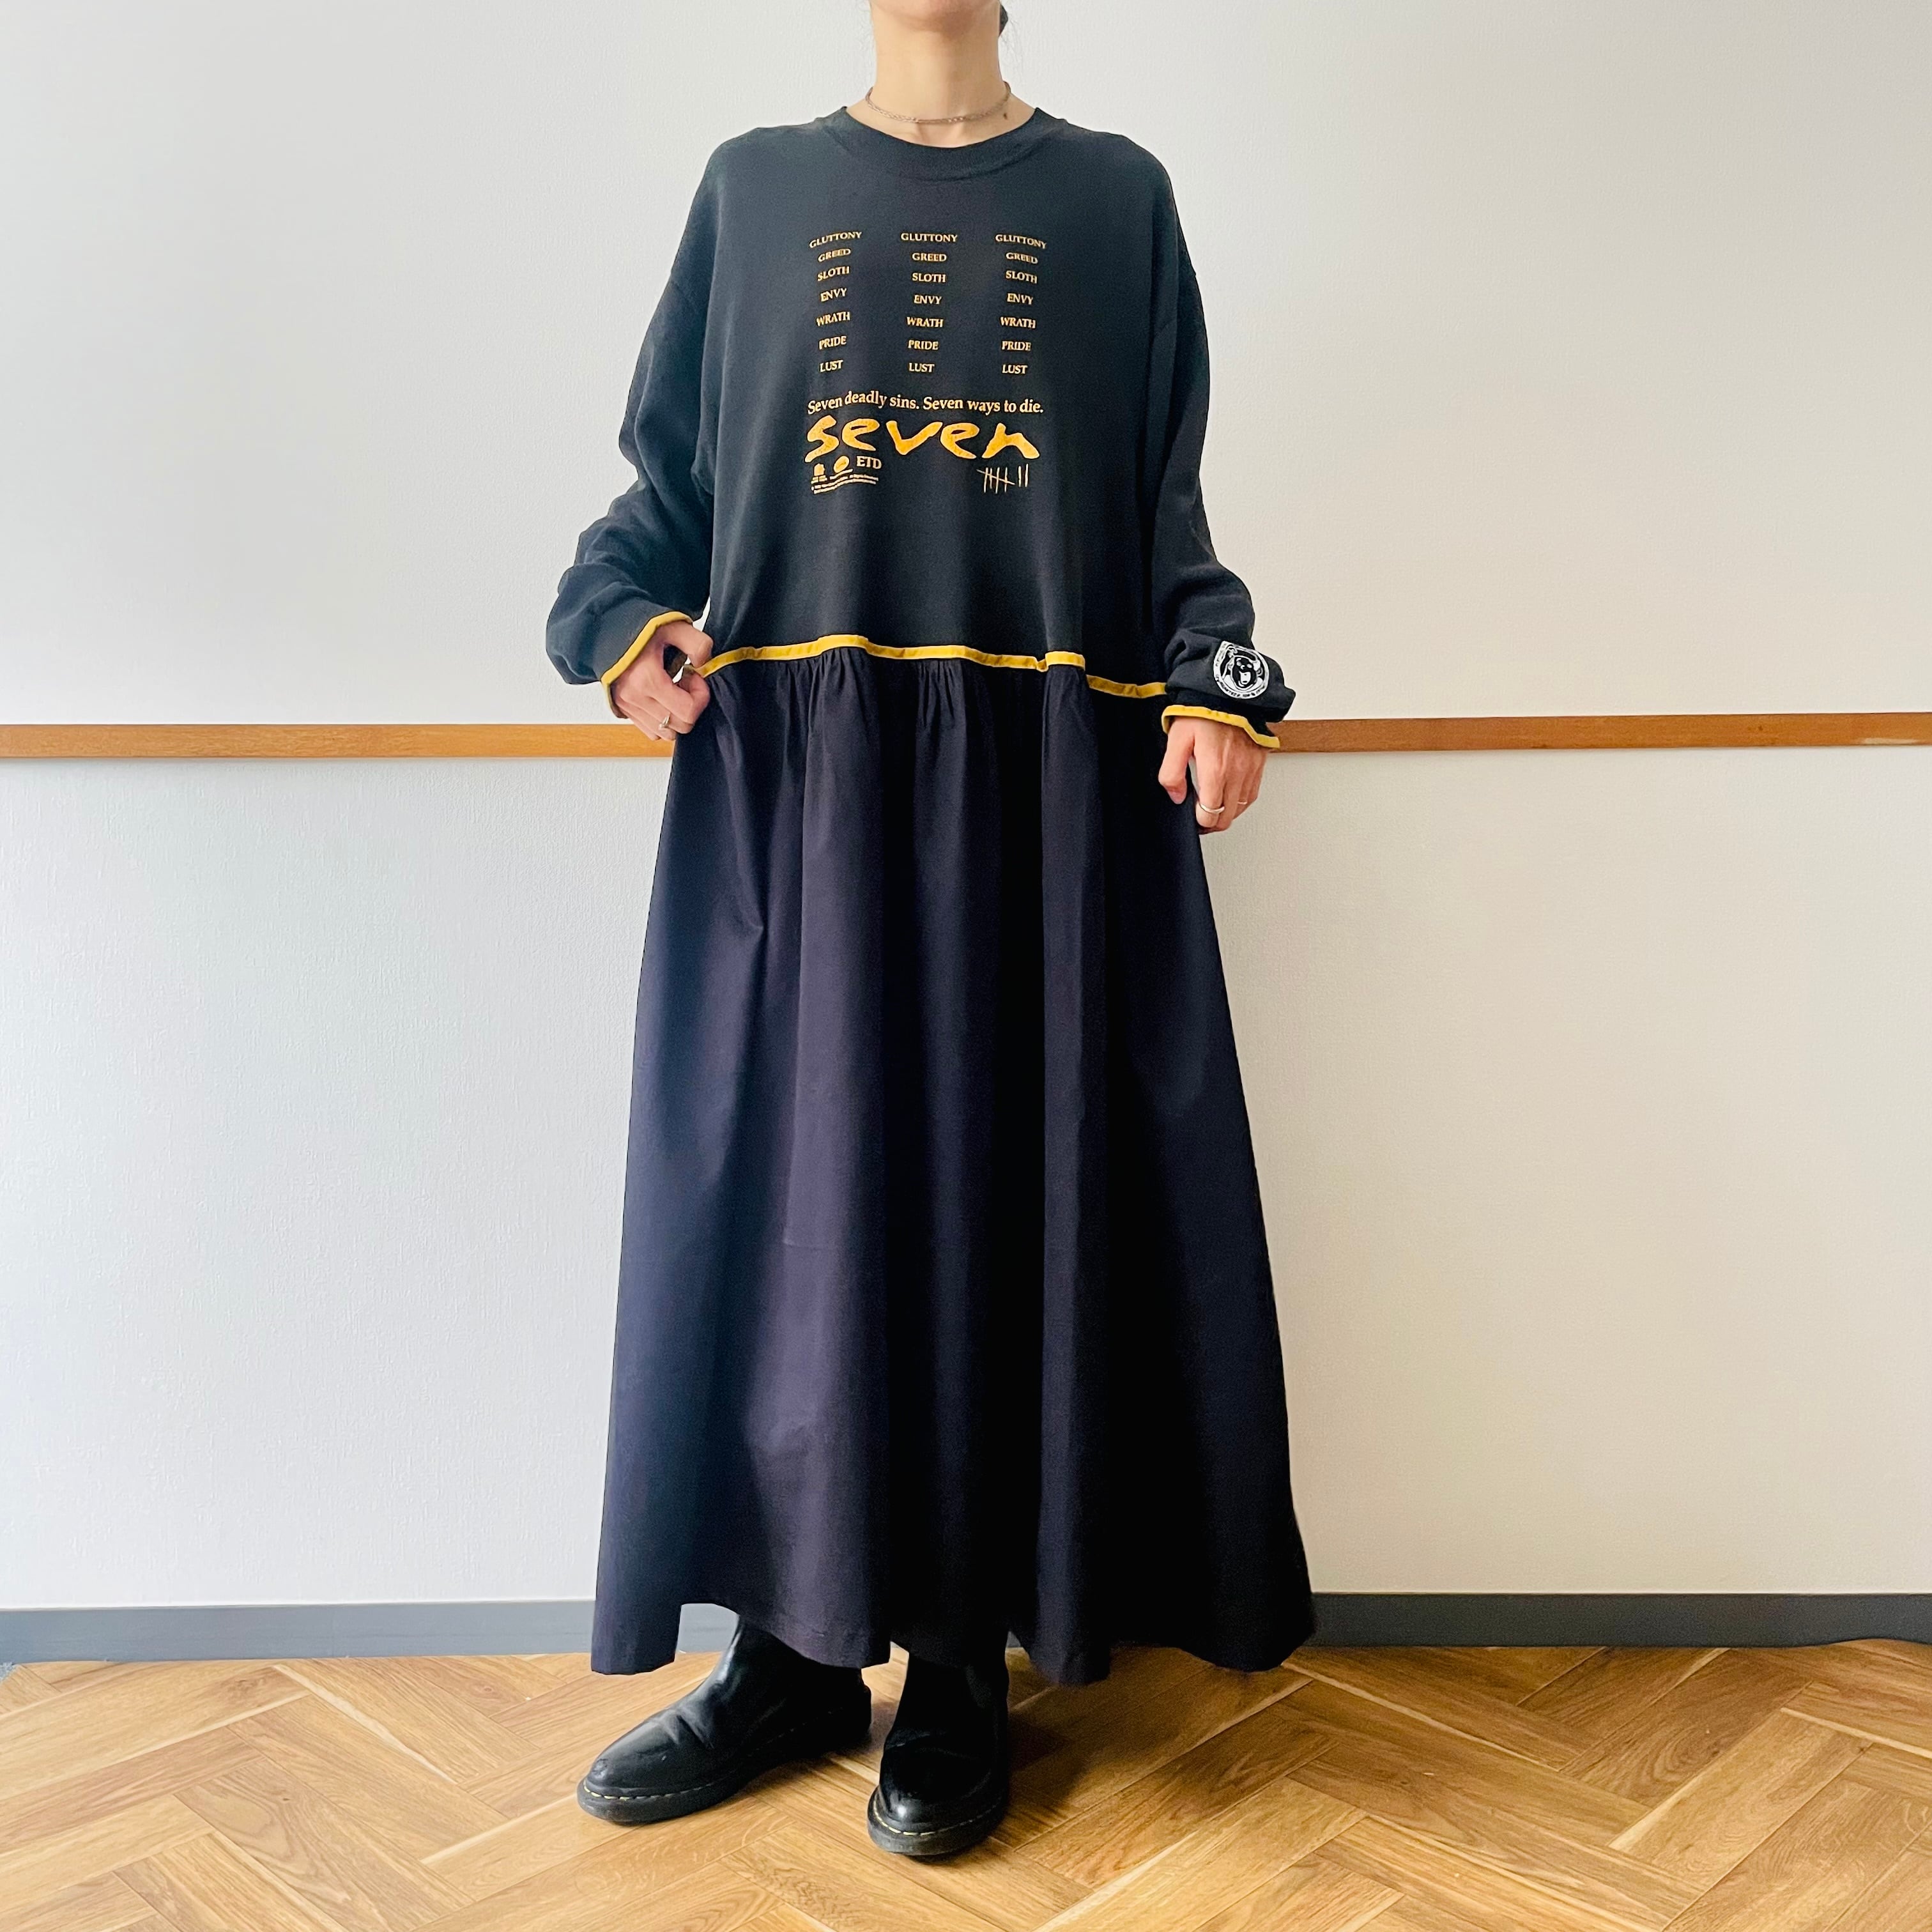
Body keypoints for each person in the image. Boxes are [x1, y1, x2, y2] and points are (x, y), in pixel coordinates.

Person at [544, 0, 1314, 1862]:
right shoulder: (754, 191)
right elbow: (668, 495)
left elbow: (1165, 513)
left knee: (992, 1203)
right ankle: (792, 1658)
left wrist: (1217, 683)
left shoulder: (1117, 201)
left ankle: (961, 1661)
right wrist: (624, 628)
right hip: (797, 803)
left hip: (1037, 807)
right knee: (790, 1219)